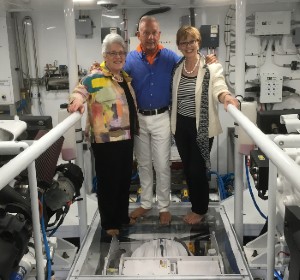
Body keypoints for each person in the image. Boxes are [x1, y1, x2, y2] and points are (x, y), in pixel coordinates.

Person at [124, 16, 217, 225]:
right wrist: (97, 69)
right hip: (139, 119)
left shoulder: (170, 58)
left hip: (162, 117)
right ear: (138, 34)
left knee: (162, 164)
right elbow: (115, 75)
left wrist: (208, 60)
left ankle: (163, 206)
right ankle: (146, 202)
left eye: (154, 32)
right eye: (145, 32)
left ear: (159, 35)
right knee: (144, 164)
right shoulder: (129, 59)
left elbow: (192, 64)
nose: (150, 37)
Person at [68, 33, 138, 236]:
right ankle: (109, 224)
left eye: (121, 53)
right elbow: (81, 90)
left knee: (124, 180)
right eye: (113, 53)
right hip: (106, 140)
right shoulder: (96, 77)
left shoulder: (123, 77)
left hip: (126, 137)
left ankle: (122, 217)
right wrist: (77, 101)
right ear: (105, 56)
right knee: (109, 182)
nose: (118, 56)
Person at [170, 25, 240, 224]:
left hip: (201, 127)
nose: (188, 45)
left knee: (197, 169)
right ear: (179, 46)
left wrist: (225, 96)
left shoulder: (211, 66)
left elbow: (219, 85)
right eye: (184, 42)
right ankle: (195, 204)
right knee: (188, 168)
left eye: (192, 41)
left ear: (199, 43)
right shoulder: (177, 67)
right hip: (181, 126)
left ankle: (200, 209)